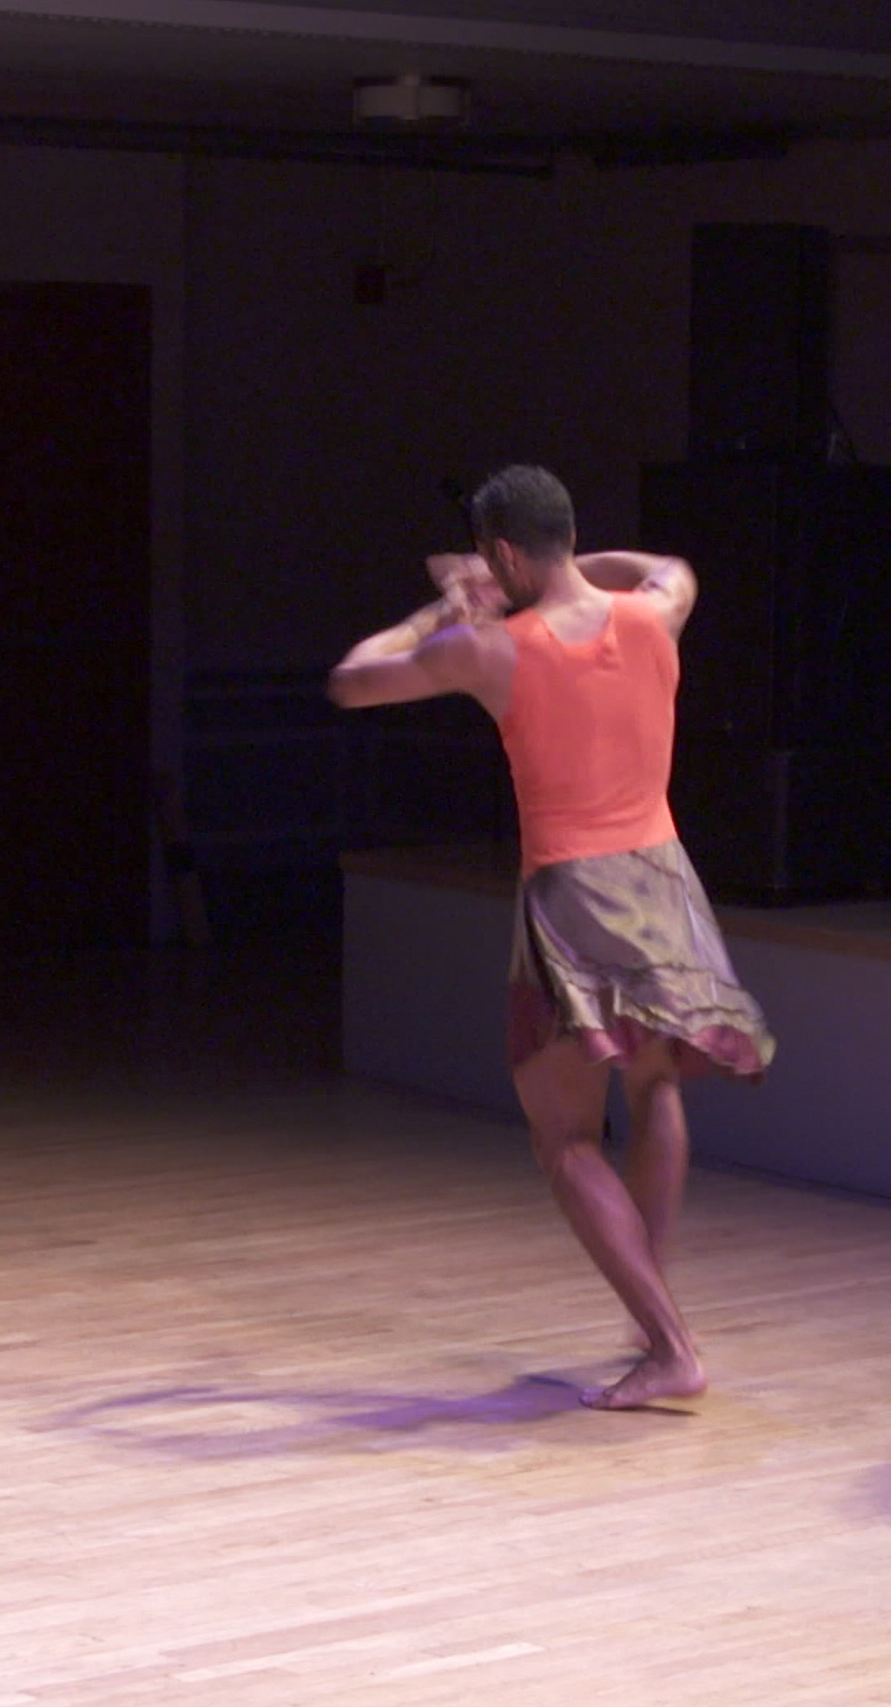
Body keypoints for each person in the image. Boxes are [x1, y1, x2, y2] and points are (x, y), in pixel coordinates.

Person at [327, 464, 774, 1411]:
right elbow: (668, 562)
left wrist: (441, 605)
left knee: (565, 1138)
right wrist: (565, 558)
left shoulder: (492, 650)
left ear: (498, 554)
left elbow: (351, 681)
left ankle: (666, 1343)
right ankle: (650, 1311)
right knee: (655, 1087)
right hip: (664, 881)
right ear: (570, 538)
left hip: (572, 892)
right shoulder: (658, 611)